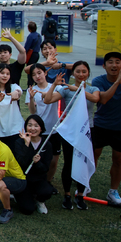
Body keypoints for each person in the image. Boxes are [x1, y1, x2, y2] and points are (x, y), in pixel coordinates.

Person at [43, 61, 100, 209]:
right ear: (73, 73)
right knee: (69, 162)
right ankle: (67, 195)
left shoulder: (93, 88)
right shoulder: (66, 89)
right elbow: (47, 100)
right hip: (70, 132)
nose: (81, 74)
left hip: (87, 130)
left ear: (88, 73)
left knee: (83, 161)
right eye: (78, 71)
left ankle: (81, 195)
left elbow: (95, 99)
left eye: (84, 72)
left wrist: (79, 89)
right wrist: (55, 85)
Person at [92, 52, 121, 206]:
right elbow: (104, 99)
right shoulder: (98, 80)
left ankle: (113, 191)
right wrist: (117, 83)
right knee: (93, 155)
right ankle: (84, 185)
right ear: (104, 65)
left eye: (117, 62)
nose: (114, 65)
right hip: (101, 125)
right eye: (110, 62)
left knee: (119, 158)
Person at [11, 115, 53, 215]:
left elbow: (45, 168)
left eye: (36, 126)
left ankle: (40, 201)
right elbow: (21, 163)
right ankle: (20, 195)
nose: (32, 128)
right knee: (27, 209)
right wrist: (26, 144)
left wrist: (37, 163)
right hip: (23, 179)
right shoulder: (19, 142)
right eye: (29, 125)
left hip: (39, 179)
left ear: (41, 128)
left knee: (47, 191)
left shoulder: (47, 144)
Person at [0, 64, 23, 143]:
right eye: (2, 73)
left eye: (7, 74)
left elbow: (18, 92)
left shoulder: (14, 87)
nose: (5, 76)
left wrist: (16, 93)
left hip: (16, 129)